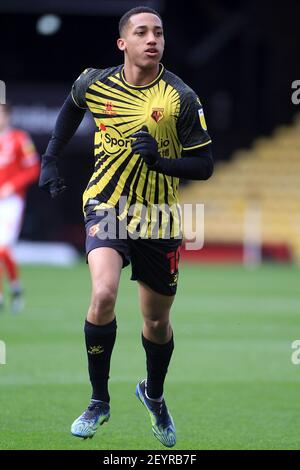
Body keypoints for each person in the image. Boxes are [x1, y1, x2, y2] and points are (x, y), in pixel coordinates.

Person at [39, 6, 213, 448]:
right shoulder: (95, 82)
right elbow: (70, 108)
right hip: (107, 205)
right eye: (142, 32)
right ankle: (99, 401)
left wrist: (161, 161)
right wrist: (51, 157)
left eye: (158, 32)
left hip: (159, 217)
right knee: (103, 294)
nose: (152, 39)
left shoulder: (181, 98)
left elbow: (205, 165)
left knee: (155, 322)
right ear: (123, 43)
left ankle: (153, 395)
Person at [0, 103, 39, 313]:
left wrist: (11, 186)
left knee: (3, 248)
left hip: (10, 202)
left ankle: (15, 288)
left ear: (7, 117)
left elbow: (33, 168)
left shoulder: (19, 138)